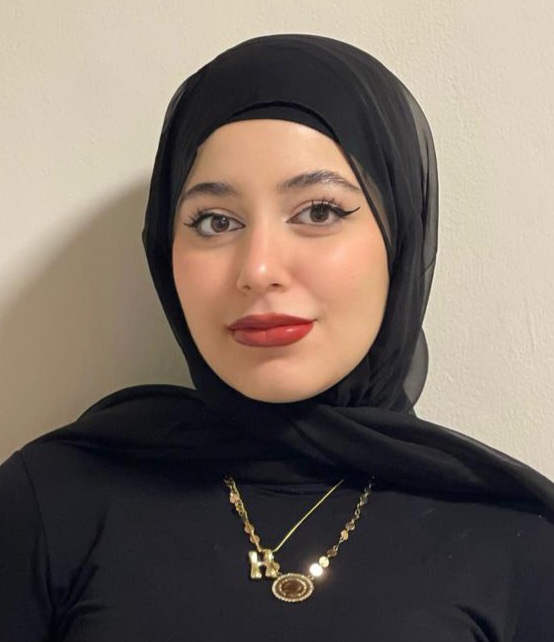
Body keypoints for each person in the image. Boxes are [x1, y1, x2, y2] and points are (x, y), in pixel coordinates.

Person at [1, 34, 553, 641]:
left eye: (319, 212)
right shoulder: (49, 506)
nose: (259, 268)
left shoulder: (518, 540)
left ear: (400, 237)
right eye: (216, 221)